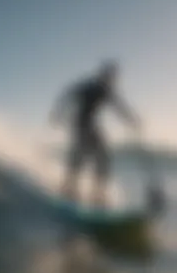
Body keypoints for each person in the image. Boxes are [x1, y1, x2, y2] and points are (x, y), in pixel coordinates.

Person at [50, 61, 140, 206]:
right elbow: (68, 93)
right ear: (103, 75)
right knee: (80, 155)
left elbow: (119, 106)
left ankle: (97, 195)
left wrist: (131, 120)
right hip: (80, 123)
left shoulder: (107, 91)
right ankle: (68, 190)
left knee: (103, 157)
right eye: (109, 76)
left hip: (91, 125)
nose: (111, 80)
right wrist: (57, 113)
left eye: (113, 78)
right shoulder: (90, 87)